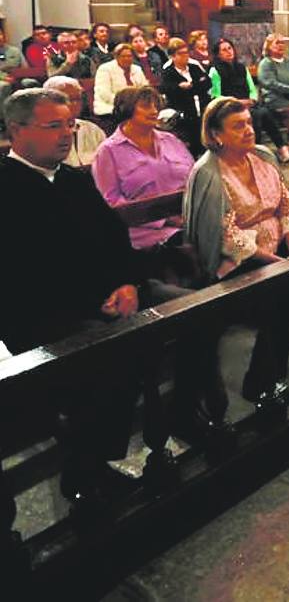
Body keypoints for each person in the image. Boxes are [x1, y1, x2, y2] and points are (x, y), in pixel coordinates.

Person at [0, 88, 143, 506]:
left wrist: (127, 283)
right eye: (53, 126)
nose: (66, 135)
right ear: (16, 130)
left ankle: (99, 456)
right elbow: (19, 274)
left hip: (104, 300)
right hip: (37, 318)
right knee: (108, 361)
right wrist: (94, 300)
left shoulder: (75, 179)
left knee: (181, 313)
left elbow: (115, 238)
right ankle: (83, 474)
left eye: (70, 125)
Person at [183, 98, 289, 401]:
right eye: (238, 126)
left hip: (278, 246)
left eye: (248, 123)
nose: (248, 130)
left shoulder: (262, 157)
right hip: (235, 260)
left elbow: (286, 206)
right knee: (283, 290)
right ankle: (262, 380)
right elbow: (226, 237)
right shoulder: (208, 172)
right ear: (216, 134)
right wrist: (279, 262)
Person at [92, 85, 194, 251]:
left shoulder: (171, 140)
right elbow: (112, 201)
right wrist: (165, 220)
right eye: (146, 106)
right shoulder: (108, 151)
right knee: (193, 246)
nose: (154, 111)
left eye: (156, 106)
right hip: (144, 231)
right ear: (126, 110)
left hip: (188, 219)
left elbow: (195, 178)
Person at [210, 37, 289, 162]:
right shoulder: (215, 70)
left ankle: (282, 149)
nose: (229, 52)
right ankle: (252, 151)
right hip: (228, 107)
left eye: (230, 48)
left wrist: (252, 100)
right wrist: (236, 102)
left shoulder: (241, 68)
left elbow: (252, 88)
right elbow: (216, 95)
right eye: (224, 50)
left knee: (265, 113)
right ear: (218, 54)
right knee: (255, 116)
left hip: (248, 104)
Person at [160, 37, 212, 155]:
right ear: (172, 56)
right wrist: (182, 88)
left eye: (186, 52)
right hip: (184, 112)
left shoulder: (194, 67)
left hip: (202, 108)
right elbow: (167, 89)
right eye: (181, 54)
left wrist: (191, 87)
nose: (185, 56)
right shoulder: (168, 72)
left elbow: (207, 83)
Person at [44, 75, 105, 166]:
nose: (75, 104)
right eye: (69, 100)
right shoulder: (44, 133)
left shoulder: (93, 130)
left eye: (78, 99)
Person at [93, 42, 149, 129]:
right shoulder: (105, 69)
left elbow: (145, 89)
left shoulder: (137, 69)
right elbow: (104, 94)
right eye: (123, 56)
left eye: (129, 56)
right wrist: (124, 105)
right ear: (116, 57)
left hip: (134, 108)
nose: (127, 59)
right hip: (109, 108)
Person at [0, 27, 21, 114]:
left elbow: (24, 67)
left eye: (0, 34)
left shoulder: (15, 50)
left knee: (29, 82)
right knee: (2, 86)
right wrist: (3, 78)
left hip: (16, 76)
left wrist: (18, 76)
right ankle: (4, 117)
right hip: (2, 79)